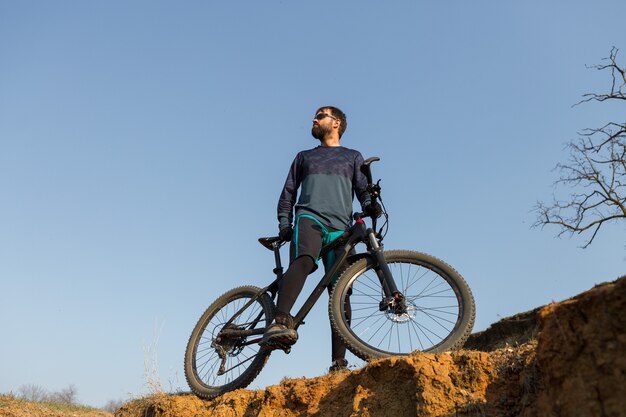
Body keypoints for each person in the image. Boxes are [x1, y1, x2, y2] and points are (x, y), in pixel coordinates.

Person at [260, 105, 381, 372]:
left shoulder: (352, 156)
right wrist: (284, 224)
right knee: (304, 261)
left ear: (336, 123)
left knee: (341, 291)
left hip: (341, 228)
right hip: (309, 218)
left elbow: (363, 190)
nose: (314, 119)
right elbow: (288, 193)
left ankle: (338, 363)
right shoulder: (304, 157)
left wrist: (371, 204)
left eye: (321, 115)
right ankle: (279, 321)